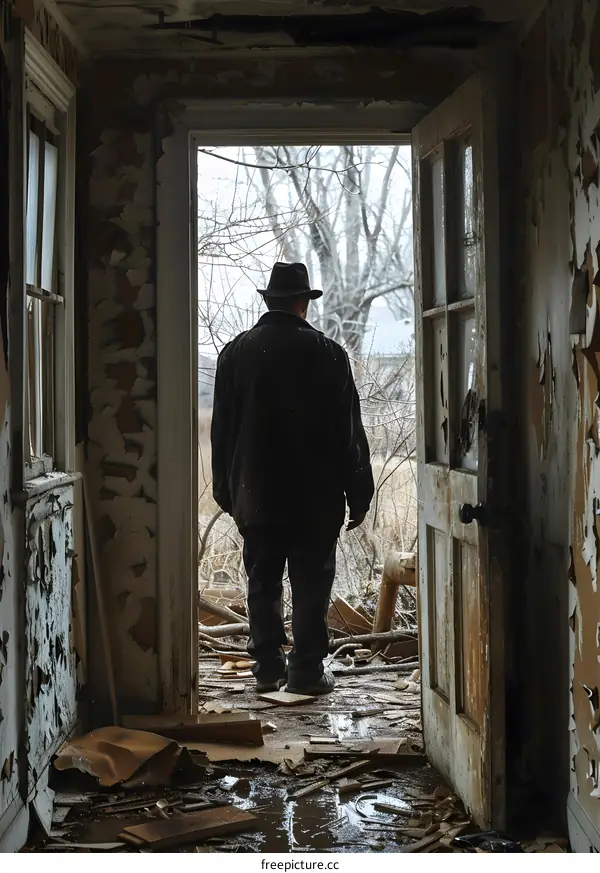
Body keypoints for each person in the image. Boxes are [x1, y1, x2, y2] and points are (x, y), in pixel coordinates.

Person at [210, 262, 374, 696]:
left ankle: (266, 668)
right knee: (311, 583)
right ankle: (305, 671)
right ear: (304, 304)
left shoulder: (235, 353)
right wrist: (359, 494)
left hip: (255, 493)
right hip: (313, 497)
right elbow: (348, 433)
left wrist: (226, 491)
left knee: (261, 580)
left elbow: (222, 432)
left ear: (269, 301)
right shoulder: (328, 354)